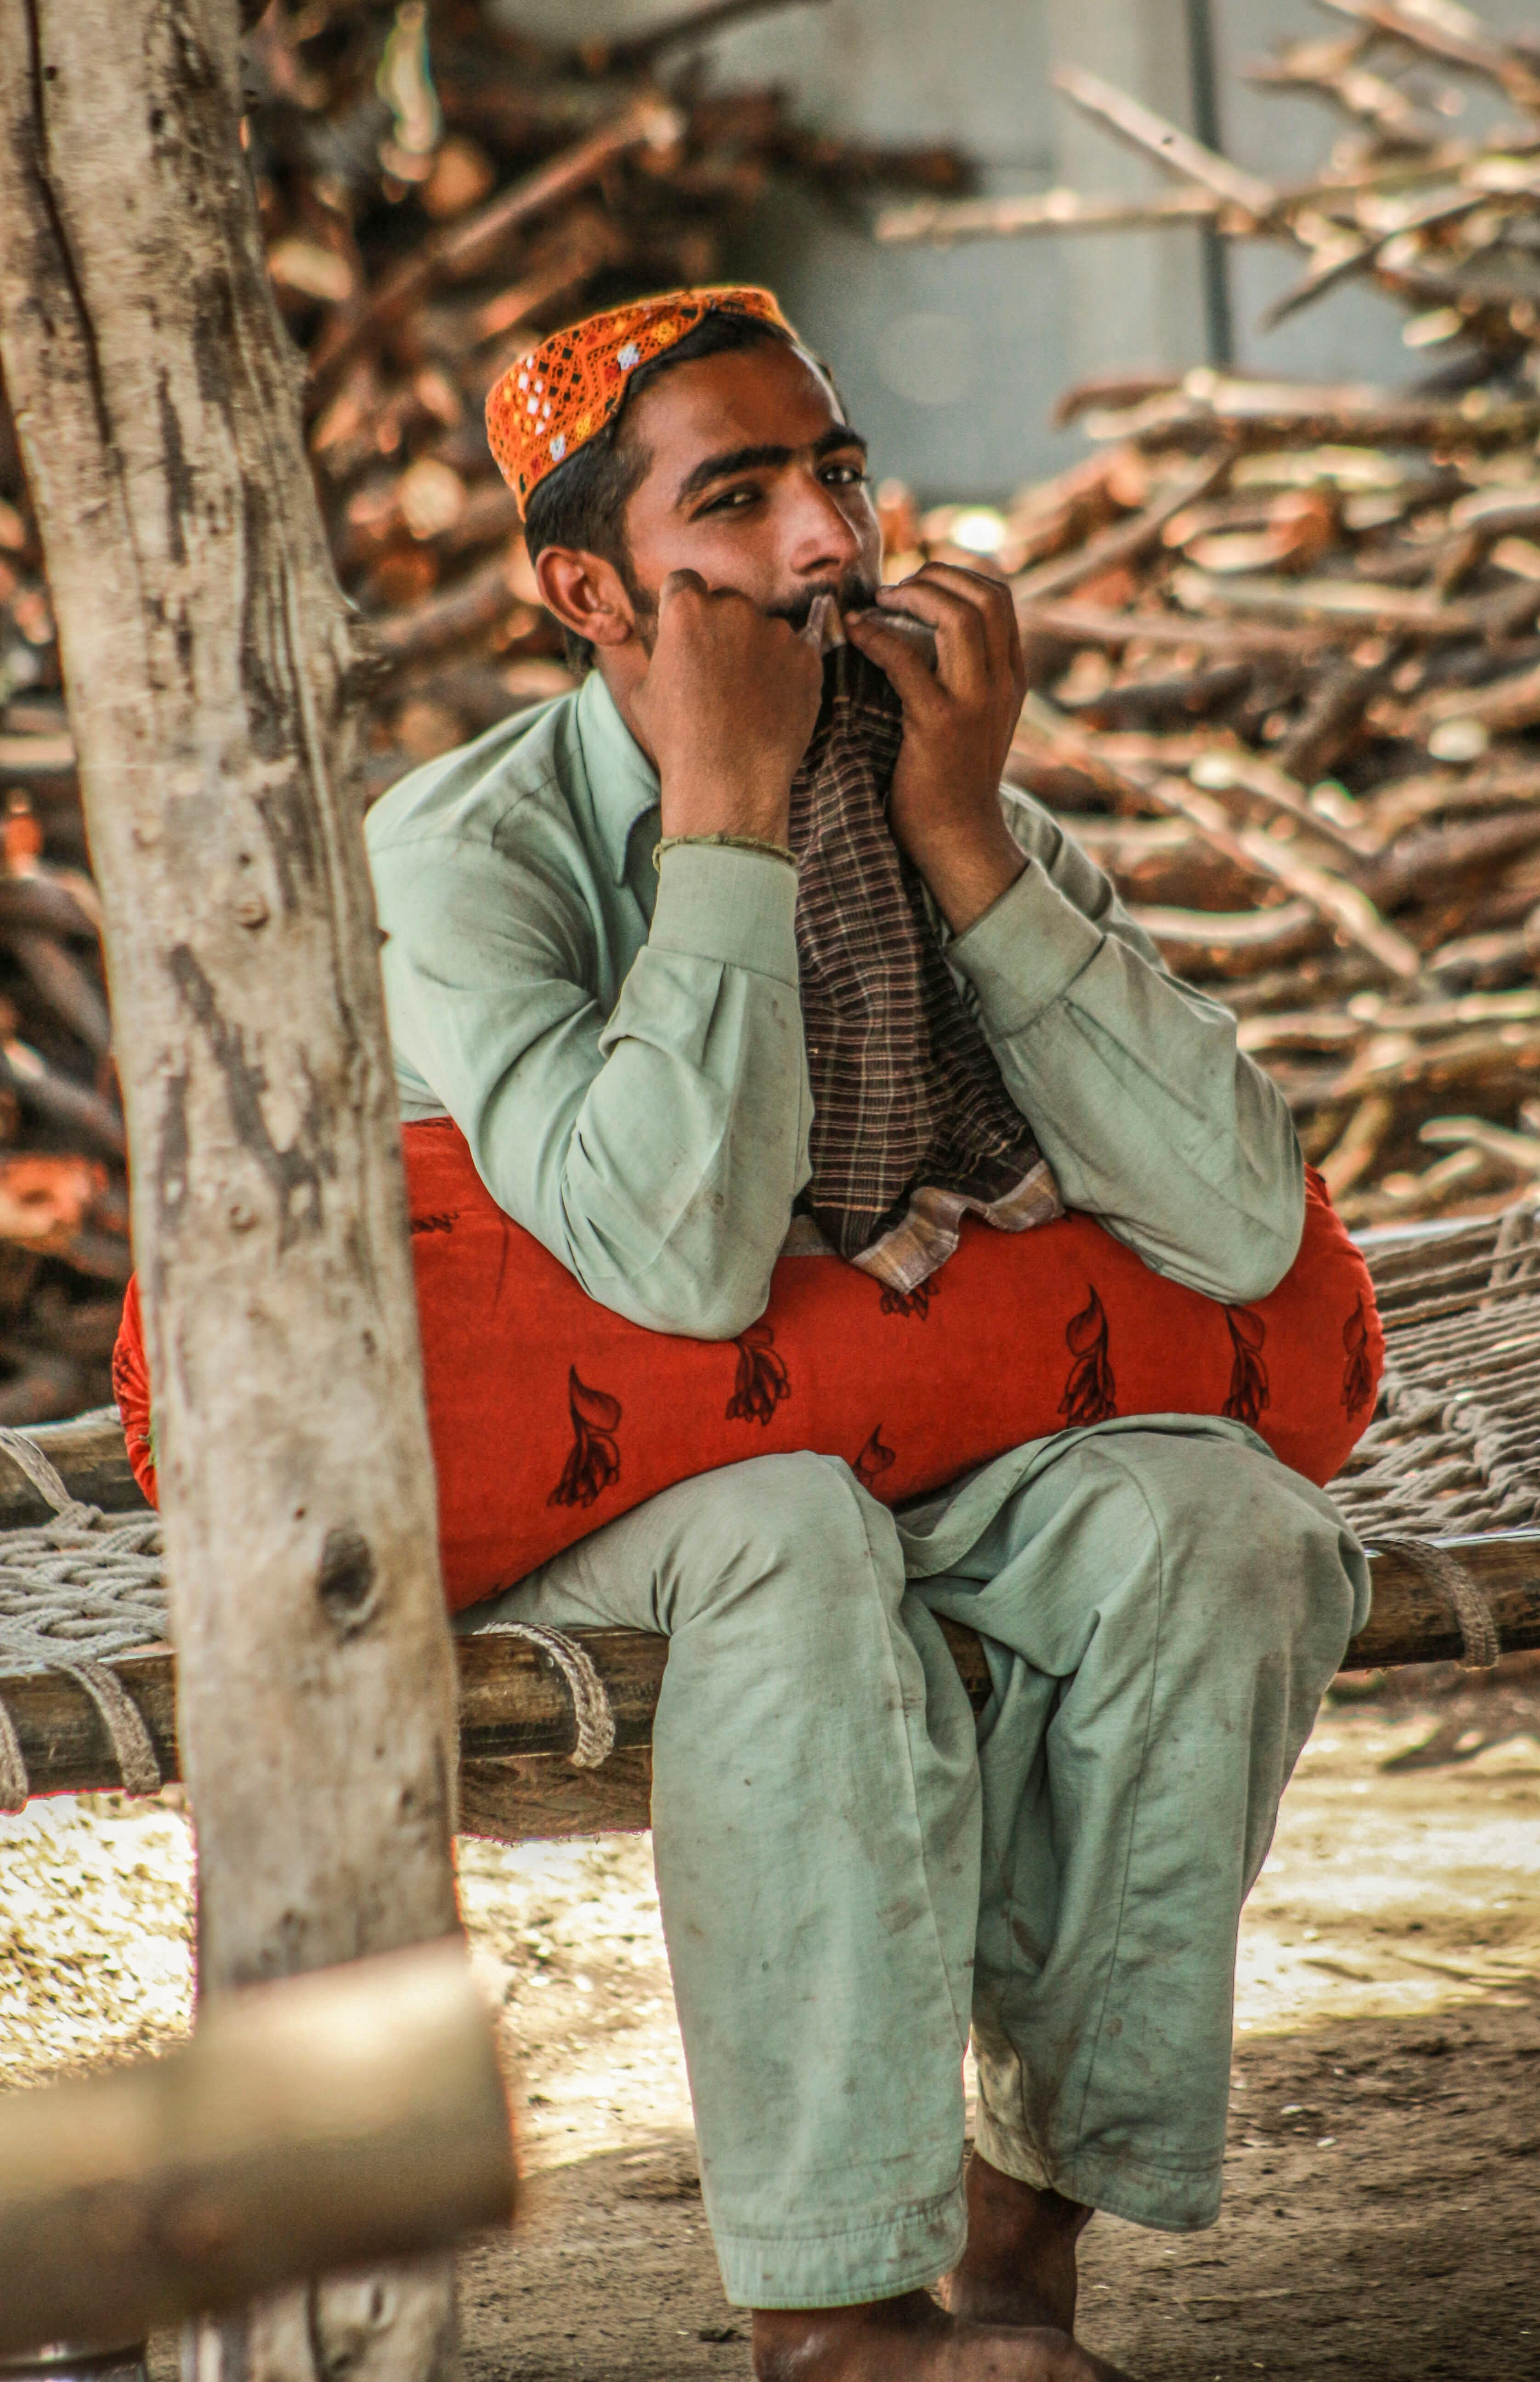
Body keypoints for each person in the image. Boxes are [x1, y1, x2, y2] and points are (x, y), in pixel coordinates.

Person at [366, 287, 1369, 2382]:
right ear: (588, 587)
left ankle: (1015, 2257)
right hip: (616, 1464)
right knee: (792, 1537)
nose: (829, 541)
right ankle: (831, 2318)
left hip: (929, 1425)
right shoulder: (466, 856)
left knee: (1226, 1534)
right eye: (734, 501)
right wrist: (725, 822)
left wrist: (966, 837)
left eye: (835, 471)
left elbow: (1239, 1214)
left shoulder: (926, 772)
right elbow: (672, 1264)